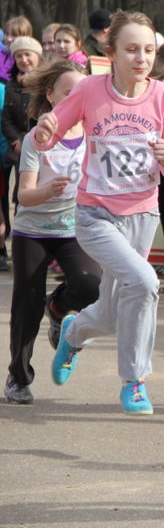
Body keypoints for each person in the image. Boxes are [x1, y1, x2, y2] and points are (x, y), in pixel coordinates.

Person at [32, 10, 164, 415]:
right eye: (132, 49)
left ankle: (74, 330)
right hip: (95, 215)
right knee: (145, 283)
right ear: (110, 52)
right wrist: (44, 131)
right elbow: (49, 136)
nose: (141, 58)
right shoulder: (89, 90)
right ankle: (134, 382)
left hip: (143, 216)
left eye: (149, 50)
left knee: (117, 313)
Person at [4, 60, 101, 404]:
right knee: (25, 306)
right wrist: (46, 192)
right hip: (33, 232)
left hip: (74, 229)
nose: (77, 98)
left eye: (82, 92)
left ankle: (58, 308)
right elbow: (24, 195)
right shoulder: (37, 139)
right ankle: (18, 376)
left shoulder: (93, 134)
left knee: (93, 284)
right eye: (68, 92)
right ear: (50, 95)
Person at [1, 36, 44, 271]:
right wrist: (16, 140)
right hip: (20, 150)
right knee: (21, 196)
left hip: (45, 147)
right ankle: (21, 248)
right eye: (19, 55)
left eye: (28, 54)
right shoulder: (11, 85)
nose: (24, 59)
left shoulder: (46, 83)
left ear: (37, 56)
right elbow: (5, 118)